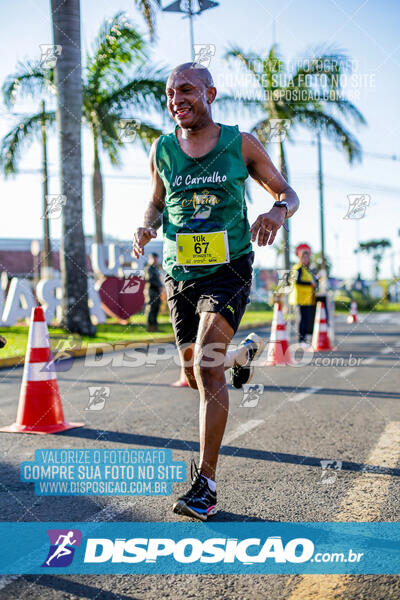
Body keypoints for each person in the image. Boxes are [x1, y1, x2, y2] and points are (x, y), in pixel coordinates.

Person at [133, 62, 299, 521]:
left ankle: (204, 485)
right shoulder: (162, 148)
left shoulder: (239, 143)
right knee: (194, 373)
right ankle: (241, 357)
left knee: (207, 365)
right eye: (170, 93)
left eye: (186, 89)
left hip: (229, 267)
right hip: (178, 273)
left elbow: (286, 192)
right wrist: (146, 226)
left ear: (210, 93)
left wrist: (276, 213)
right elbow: (155, 199)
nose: (176, 99)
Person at [289, 244, 317, 343]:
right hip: (299, 299)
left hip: (307, 299)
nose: (306, 259)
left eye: (307, 257)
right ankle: (300, 340)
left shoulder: (307, 269)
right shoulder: (298, 268)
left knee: (306, 319)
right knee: (300, 320)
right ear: (300, 258)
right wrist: (310, 283)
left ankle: (304, 339)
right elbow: (297, 282)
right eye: (304, 257)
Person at [144, 252, 163, 332]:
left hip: (156, 291)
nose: (155, 260)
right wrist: (159, 286)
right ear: (150, 259)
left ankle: (154, 327)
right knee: (151, 308)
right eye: (153, 258)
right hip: (151, 290)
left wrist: (161, 286)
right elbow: (150, 280)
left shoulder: (156, 268)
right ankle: (150, 327)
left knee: (156, 308)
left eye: (156, 258)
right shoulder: (149, 268)